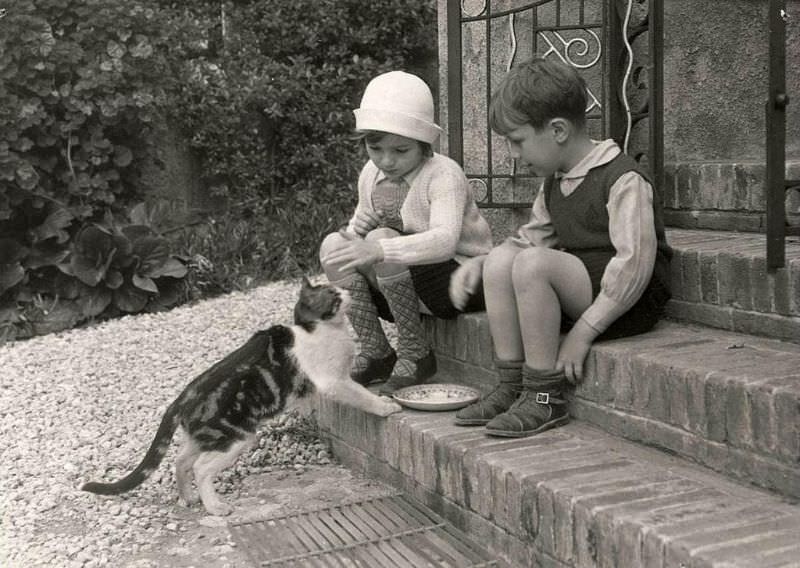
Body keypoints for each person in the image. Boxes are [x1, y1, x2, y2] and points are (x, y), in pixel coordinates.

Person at [450, 57, 672, 437]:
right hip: (585, 286)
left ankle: (544, 397)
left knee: (533, 264)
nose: (513, 154)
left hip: (628, 300)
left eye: (517, 141)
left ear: (557, 130)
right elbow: (530, 239)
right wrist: (483, 262)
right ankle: (512, 385)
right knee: (505, 258)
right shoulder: (556, 181)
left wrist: (584, 332)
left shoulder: (623, 179)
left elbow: (634, 267)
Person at [320, 70, 493, 395]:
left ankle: (416, 352)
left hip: (462, 280)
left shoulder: (443, 175)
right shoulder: (371, 175)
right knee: (334, 245)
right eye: (375, 148)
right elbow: (360, 227)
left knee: (380, 240)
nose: (387, 160)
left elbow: (444, 242)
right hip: (404, 284)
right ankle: (377, 352)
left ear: (424, 144)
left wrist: (379, 249)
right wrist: (350, 244)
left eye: (401, 151)